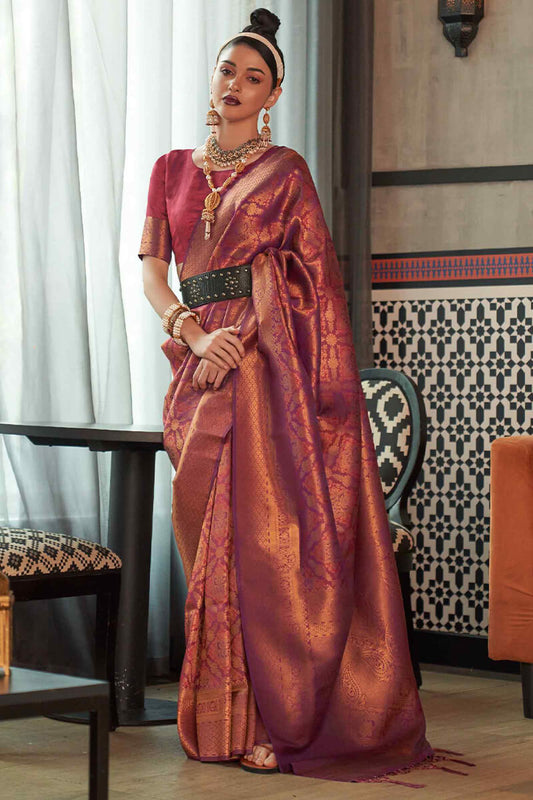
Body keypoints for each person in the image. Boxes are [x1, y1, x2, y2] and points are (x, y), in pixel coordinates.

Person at [138, 6, 467, 786]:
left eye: (253, 77)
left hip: (264, 370)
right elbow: (153, 273)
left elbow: (311, 285)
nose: (235, 84)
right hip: (196, 364)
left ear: (273, 94)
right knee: (206, 542)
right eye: (227, 69)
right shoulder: (170, 168)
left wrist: (246, 333)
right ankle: (217, 717)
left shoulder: (285, 172)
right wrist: (195, 336)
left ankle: (270, 720)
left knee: (257, 547)